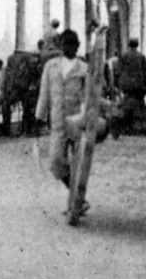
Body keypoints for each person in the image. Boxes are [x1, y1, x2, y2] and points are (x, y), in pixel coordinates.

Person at [34, 30, 103, 217]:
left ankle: (76, 203)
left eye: (72, 44)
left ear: (77, 46)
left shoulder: (84, 68)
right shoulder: (51, 66)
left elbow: (89, 95)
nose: (68, 48)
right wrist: (39, 117)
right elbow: (44, 93)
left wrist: (87, 116)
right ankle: (78, 199)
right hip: (57, 121)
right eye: (65, 44)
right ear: (60, 46)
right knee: (55, 162)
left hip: (77, 122)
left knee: (78, 165)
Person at [110, 37, 146, 136]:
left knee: (126, 106)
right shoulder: (141, 56)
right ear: (137, 45)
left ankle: (125, 126)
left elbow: (118, 70)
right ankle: (139, 127)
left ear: (129, 45)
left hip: (126, 86)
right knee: (138, 106)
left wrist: (119, 83)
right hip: (138, 85)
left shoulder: (124, 56)